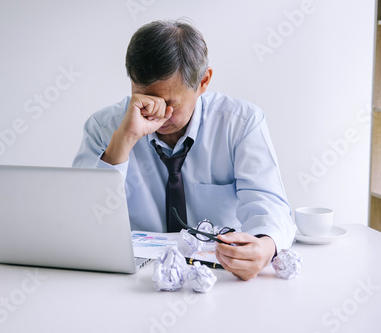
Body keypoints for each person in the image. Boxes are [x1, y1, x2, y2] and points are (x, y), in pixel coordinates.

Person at [73, 19, 295, 281]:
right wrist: (125, 139)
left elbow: (270, 205)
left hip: (220, 276)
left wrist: (265, 247)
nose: (155, 113)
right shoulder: (103, 127)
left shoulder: (241, 124)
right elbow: (82, 220)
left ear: (203, 81)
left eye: (169, 103)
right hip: (135, 279)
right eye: (143, 97)